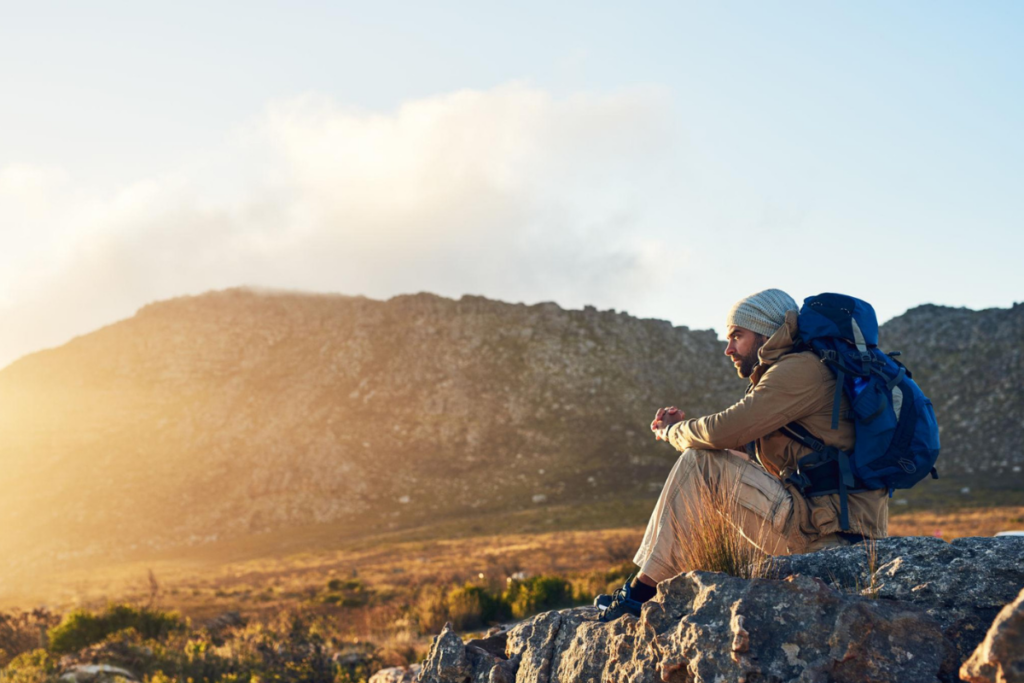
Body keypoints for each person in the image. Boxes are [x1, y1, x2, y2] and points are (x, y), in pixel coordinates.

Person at [596, 289, 888, 621]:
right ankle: (670, 592)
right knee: (710, 462)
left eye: (737, 335)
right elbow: (739, 452)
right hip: (823, 526)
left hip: (827, 539)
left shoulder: (800, 370)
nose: (728, 348)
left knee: (700, 462)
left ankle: (639, 596)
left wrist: (673, 432)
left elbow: (722, 432)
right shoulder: (805, 369)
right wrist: (696, 433)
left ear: (767, 332)